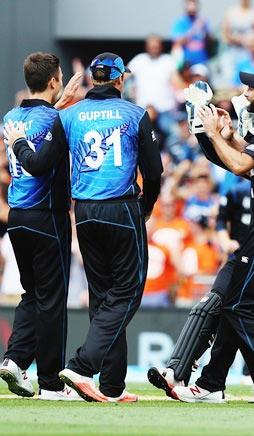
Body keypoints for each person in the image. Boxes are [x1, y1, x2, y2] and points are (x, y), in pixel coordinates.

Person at [153, 72, 254, 405]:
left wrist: (214, 133)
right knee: (232, 302)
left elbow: (241, 166)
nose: (245, 92)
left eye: (251, 87)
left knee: (239, 304)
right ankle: (212, 382)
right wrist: (222, 136)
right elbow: (248, 161)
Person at [10, 52, 163, 402]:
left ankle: (110, 386)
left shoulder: (70, 115)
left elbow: (42, 161)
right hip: (121, 208)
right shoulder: (135, 113)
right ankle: (82, 365)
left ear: (93, 78)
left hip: (85, 212)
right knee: (126, 293)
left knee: (103, 297)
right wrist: (147, 206)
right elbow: (153, 172)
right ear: (121, 79)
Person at [0, 52, 81, 401]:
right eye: (60, 76)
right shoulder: (55, 120)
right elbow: (42, 153)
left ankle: (15, 359)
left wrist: (60, 105)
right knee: (52, 299)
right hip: (46, 215)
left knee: (32, 294)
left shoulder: (10, 115)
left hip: (17, 217)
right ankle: (50, 381)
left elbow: (42, 122)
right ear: (53, 81)